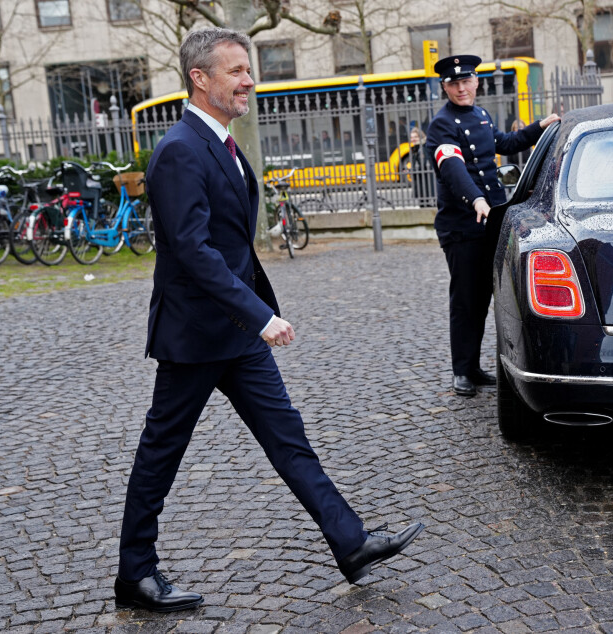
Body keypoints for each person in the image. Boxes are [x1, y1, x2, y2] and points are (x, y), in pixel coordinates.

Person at [114, 27, 423, 613]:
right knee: (161, 452)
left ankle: (350, 543)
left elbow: (229, 245)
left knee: (288, 438)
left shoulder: (223, 143)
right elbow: (191, 249)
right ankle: (135, 575)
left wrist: (252, 318)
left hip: (236, 334)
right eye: (235, 71)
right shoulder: (180, 148)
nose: (249, 80)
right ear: (199, 78)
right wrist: (260, 315)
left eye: (248, 69)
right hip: (196, 337)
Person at [424, 54, 559, 397]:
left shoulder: (481, 115)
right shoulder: (442, 124)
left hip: (489, 221)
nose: (461, 88)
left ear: (476, 83)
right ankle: (462, 371)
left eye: (466, 81)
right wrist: (476, 199)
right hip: (463, 225)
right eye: (454, 84)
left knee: (486, 296)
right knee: (467, 299)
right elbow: (453, 168)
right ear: (445, 87)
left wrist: (539, 128)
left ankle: (473, 366)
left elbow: (505, 143)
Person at [408, 126, 435, 207]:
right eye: (411, 137)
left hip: (424, 184)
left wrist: (411, 171)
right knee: (425, 204)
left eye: (415, 137)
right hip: (423, 184)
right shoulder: (417, 148)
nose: (413, 139)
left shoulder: (421, 149)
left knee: (424, 205)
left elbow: (422, 166)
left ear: (420, 137)